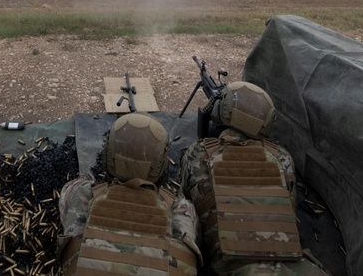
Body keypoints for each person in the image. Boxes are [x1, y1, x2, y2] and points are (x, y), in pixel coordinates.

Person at [180, 82, 329, 276]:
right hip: (292, 265)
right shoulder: (281, 157)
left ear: (221, 110)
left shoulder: (198, 153)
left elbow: (186, 200)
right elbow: (289, 204)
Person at [57, 112, 201, 275]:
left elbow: (69, 192)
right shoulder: (181, 210)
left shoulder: (81, 195)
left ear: (108, 158)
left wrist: (88, 181)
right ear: (161, 167)